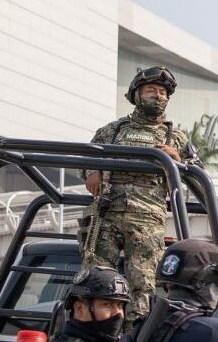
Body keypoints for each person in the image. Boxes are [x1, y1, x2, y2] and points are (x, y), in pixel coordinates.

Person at [82, 66, 199, 320]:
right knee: (95, 280)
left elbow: (199, 179)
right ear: (137, 94)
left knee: (143, 288)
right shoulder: (112, 131)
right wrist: (92, 170)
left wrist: (177, 160)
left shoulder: (176, 138)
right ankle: (91, 331)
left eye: (162, 92)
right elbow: (89, 156)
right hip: (107, 214)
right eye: (150, 90)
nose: (157, 96)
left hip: (147, 222)